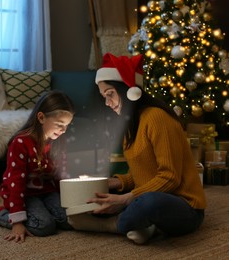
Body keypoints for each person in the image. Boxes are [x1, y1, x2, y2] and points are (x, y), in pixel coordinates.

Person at [68, 53, 207, 244]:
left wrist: (126, 199)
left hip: (184, 206)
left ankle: (112, 225)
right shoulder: (130, 123)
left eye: (110, 94)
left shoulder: (157, 118)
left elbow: (169, 178)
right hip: (150, 194)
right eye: (103, 97)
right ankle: (145, 226)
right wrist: (112, 183)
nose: (107, 103)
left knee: (149, 203)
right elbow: (142, 173)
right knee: (99, 194)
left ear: (129, 91)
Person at [0, 90, 75, 243]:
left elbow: (61, 175)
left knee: (69, 221)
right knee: (44, 226)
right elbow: (16, 183)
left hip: (46, 191)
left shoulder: (58, 142)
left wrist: (69, 202)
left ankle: (43, 212)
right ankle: (1, 215)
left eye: (67, 125)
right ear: (41, 117)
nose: (63, 130)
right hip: (24, 193)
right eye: (60, 124)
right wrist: (17, 222)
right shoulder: (20, 143)